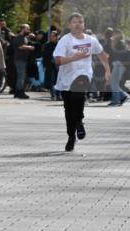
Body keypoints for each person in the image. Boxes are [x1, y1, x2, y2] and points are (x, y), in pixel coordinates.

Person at [54, 13, 110, 151]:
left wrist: (108, 70)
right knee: (69, 110)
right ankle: (71, 137)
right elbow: (58, 61)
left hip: (84, 75)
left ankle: (79, 122)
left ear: (84, 25)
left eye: (81, 22)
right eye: (75, 22)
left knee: (78, 96)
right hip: (66, 78)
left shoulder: (91, 40)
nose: (78, 24)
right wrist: (74, 58)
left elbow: (102, 54)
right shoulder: (65, 40)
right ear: (69, 25)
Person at [9, 24, 35, 99]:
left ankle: (17, 92)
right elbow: (20, 47)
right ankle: (20, 91)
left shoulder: (24, 38)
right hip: (19, 59)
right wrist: (29, 47)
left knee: (21, 76)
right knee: (21, 76)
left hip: (23, 59)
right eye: (27, 29)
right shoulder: (18, 38)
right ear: (23, 29)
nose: (29, 31)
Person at [108, 31, 129, 106]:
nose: (113, 35)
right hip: (117, 64)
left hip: (119, 64)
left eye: (114, 34)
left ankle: (116, 100)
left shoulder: (121, 43)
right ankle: (123, 96)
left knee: (114, 83)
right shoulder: (117, 43)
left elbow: (123, 53)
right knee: (114, 83)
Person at [43, 29, 60, 100]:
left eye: (53, 36)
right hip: (50, 65)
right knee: (51, 80)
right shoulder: (47, 45)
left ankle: (58, 95)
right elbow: (44, 56)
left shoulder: (60, 44)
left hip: (59, 65)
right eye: (51, 36)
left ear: (57, 37)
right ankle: (53, 94)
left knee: (58, 80)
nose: (51, 37)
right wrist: (44, 66)